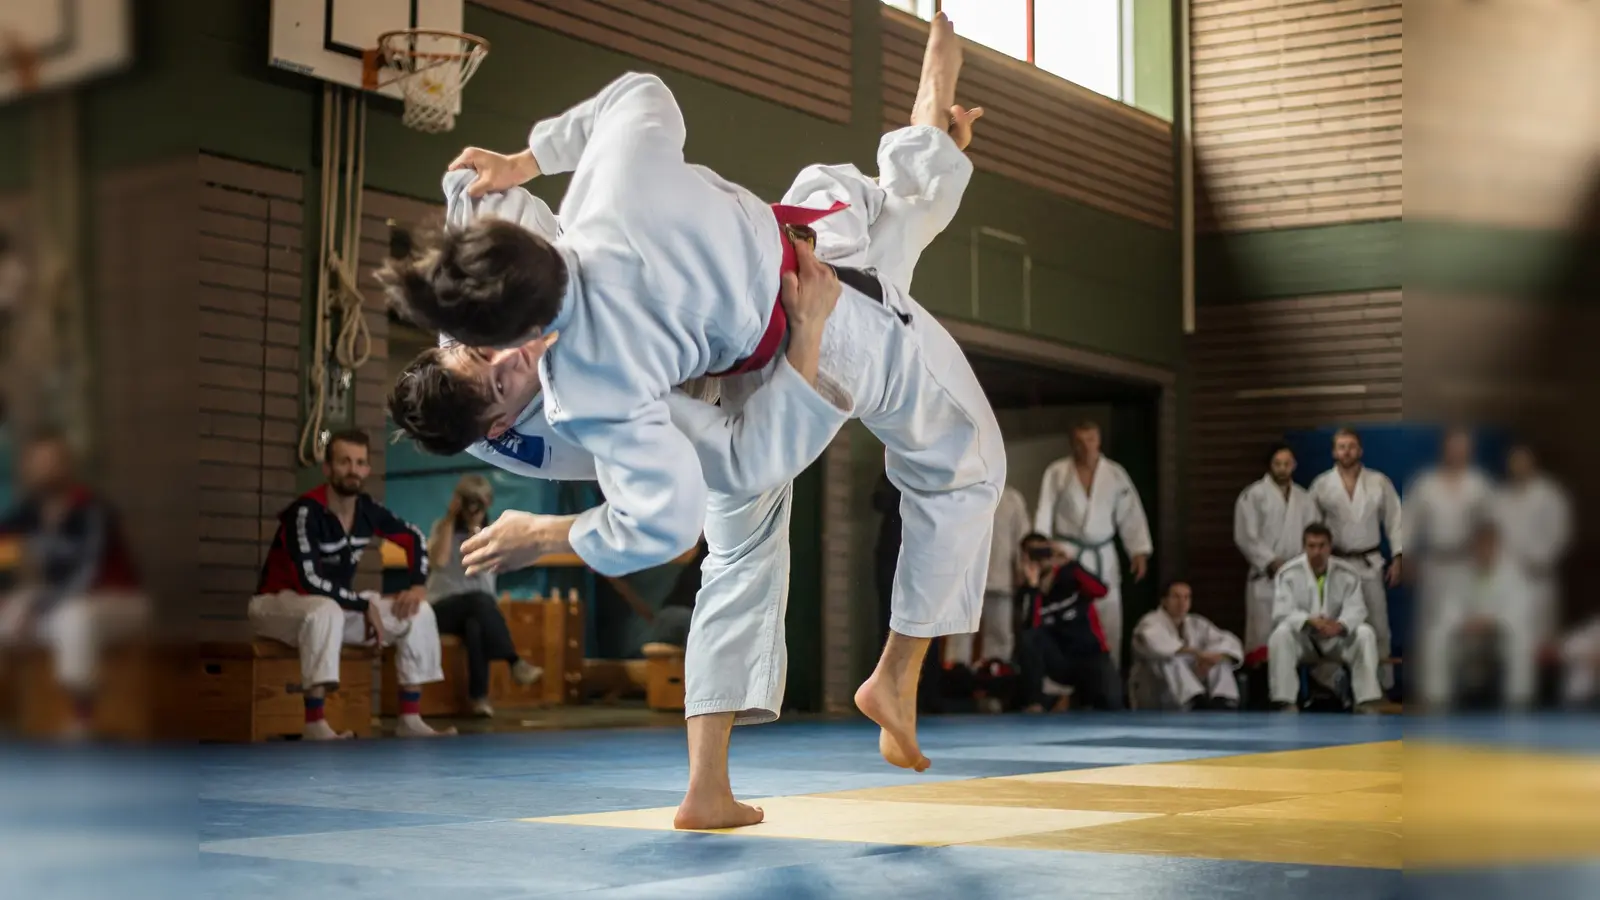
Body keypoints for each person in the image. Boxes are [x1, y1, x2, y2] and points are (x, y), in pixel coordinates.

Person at [384, 15, 1000, 828]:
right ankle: (800, 731)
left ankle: (933, 125)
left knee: (878, 218)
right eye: (498, 386)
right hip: (796, 327)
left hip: (801, 275)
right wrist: (526, 161)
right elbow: (637, 94)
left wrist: (510, 164)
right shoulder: (579, 331)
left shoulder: (568, 332)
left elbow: (572, 134)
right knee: (954, 461)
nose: (508, 371)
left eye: (499, 359)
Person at [248, 429, 454, 740]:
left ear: (368, 470)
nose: (353, 470)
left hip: (333, 608)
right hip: (277, 605)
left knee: (418, 611)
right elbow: (310, 581)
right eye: (344, 462)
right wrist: (361, 604)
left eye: (359, 463)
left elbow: (413, 537)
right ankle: (315, 723)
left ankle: (409, 719)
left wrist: (417, 585)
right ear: (328, 468)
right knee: (325, 610)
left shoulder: (367, 511)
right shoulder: (305, 512)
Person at [0, 432, 146, 737]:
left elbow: (87, 576)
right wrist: (13, 601)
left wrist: (34, 606)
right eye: (39, 463)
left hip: (114, 599)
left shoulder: (93, 510)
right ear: (27, 468)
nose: (46, 470)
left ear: (68, 465)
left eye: (53, 462)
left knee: (75, 617)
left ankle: (83, 719)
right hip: (48, 603)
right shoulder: (23, 516)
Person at [1033, 421, 1152, 669]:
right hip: (1068, 554)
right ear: (1072, 444)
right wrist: (1041, 550)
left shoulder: (1115, 473)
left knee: (1109, 619)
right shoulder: (1057, 472)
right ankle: (1065, 689)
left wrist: (1138, 549)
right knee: (1068, 619)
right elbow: (1044, 510)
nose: (1086, 447)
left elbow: (1130, 514)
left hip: (1103, 555)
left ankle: (1109, 685)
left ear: (1099, 441)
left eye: (1091, 440)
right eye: (1080, 441)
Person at [425, 474, 543, 717]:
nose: (472, 508)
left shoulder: (490, 535)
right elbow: (438, 561)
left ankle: (479, 698)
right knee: (479, 600)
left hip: (478, 609)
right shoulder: (443, 527)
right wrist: (451, 517)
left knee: (475, 625)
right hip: (440, 608)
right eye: (468, 501)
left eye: (478, 501)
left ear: (488, 502)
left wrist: (476, 530)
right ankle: (513, 661)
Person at [1307, 428, 1402, 685]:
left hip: (1369, 562)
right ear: (1333, 452)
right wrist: (1314, 562)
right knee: (1331, 626)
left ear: (1360, 450)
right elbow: (1312, 528)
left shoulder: (1378, 481)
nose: (1346, 451)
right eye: (1341, 446)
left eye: (1351, 446)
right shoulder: (1321, 485)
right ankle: (1333, 685)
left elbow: (1395, 520)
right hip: (1334, 563)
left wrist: (1398, 557)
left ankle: (1381, 686)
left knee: (1378, 626)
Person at [1417, 518, 1537, 710]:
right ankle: (1436, 698)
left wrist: (1491, 622)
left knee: (1522, 638)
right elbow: (1449, 609)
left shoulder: (1513, 574)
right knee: (1435, 636)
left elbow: (1519, 611)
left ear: (1497, 546)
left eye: (1489, 544)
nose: (1484, 550)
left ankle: (1519, 700)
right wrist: (1465, 623)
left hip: (1499, 637)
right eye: (1480, 545)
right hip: (1467, 637)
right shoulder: (1459, 574)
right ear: (1473, 547)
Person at [1268, 523, 1383, 713]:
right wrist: (1309, 620)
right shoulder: (1288, 573)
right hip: (1305, 640)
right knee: (1280, 635)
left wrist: (1339, 625)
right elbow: (1282, 611)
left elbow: (1357, 609)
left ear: (1330, 546)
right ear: (1304, 547)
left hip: (1337, 639)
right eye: (1311, 546)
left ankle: (1365, 701)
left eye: (1322, 545)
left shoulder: (1347, 573)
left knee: (1365, 633)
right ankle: (1285, 701)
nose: (1317, 551)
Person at [1404, 428, 1495, 662]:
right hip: (1434, 562)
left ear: (1470, 450)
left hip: (1467, 563)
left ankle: (1466, 690)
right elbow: (1409, 523)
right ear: (1444, 449)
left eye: (1463, 447)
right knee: (1431, 626)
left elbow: (1490, 525)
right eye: (1453, 446)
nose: (1458, 452)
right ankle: (1431, 689)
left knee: (1467, 625)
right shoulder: (1425, 484)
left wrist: (1488, 559)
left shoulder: (1480, 484)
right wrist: (1407, 557)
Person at [1013, 532, 1122, 711]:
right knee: (1029, 638)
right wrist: (1033, 587)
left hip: (1091, 655)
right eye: (1033, 554)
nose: (1040, 559)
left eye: (1044, 552)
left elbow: (1101, 590)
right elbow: (1030, 630)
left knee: (1111, 702)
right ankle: (1035, 702)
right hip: (1059, 660)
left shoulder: (1071, 573)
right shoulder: (1028, 592)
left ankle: (1073, 700)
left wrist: (1070, 561)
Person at [1233, 444, 1319, 656]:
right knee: (1264, 637)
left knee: (1296, 637)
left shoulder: (1304, 498)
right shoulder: (1253, 495)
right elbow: (1245, 536)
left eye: (1287, 464)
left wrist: (1303, 562)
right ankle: (1263, 687)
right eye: (1278, 464)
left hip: (1297, 575)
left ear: (1294, 465)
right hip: (1266, 577)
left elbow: (1313, 533)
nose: (1282, 468)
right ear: (1270, 465)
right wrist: (1271, 561)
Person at [1493, 443, 1571, 649]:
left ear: (1532, 462)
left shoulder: (1550, 494)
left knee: (1540, 642)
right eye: (1514, 462)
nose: (1518, 466)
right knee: (1510, 642)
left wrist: (1537, 559)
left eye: (1522, 461)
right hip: (1507, 579)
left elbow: (1560, 535)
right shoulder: (1500, 497)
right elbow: (1493, 536)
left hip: (1539, 579)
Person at [946, 484, 1029, 666]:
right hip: (966, 581)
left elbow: (1022, 541)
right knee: (960, 636)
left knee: (999, 638)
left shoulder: (1012, 499)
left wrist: (1021, 571)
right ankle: (956, 681)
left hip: (1002, 579)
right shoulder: (961, 497)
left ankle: (995, 683)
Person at [1130, 581, 1242, 710]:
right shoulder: (1150, 622)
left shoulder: (1196, 622)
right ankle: (1194, 700)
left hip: (1191, 688)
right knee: (1171, 659)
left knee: (1220, 659)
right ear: (1164, 601)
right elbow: (1159, 645)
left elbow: (1227, 640)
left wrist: (1214, 657)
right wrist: (1198, 654)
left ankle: (1223, 700)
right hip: (1156, 690)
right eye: (1176, 597)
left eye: (1186, 597)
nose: (1182, 602)